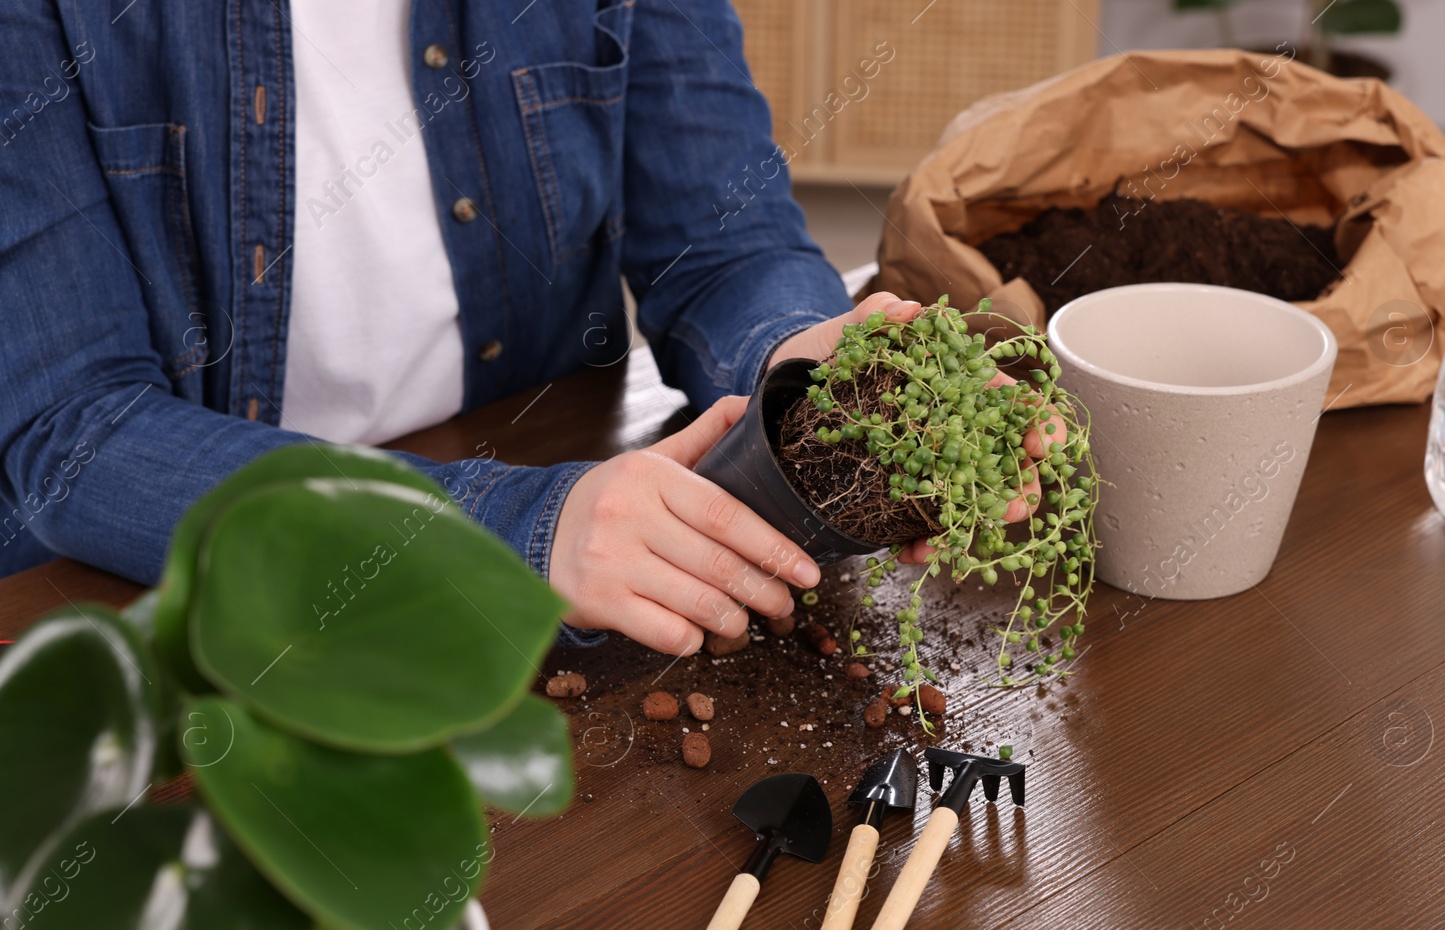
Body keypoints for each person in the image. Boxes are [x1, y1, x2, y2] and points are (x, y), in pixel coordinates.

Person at [0, 0, 1053, 653]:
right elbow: (71, 435)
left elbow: (722, 245)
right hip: (162, 599)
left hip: (552, 510)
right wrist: (514, 531)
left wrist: (810, 373)